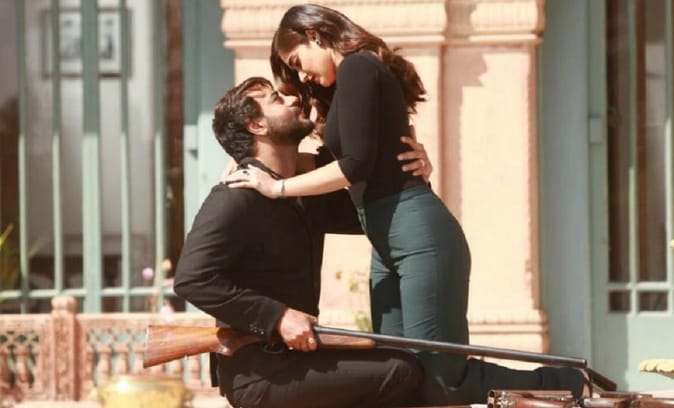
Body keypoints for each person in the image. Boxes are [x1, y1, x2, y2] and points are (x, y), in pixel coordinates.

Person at [224, 4, 589, 405]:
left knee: (442, 378)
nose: (301, 77)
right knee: (398, 373)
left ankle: (568, 384)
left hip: (419, 237)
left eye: (297, 62)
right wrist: (252, 162)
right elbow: (340, 161)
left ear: (315, 35)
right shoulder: (348, 84)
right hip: (387, 244)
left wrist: (278, 188)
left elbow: (354, 166)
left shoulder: (359, 67)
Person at [174, 76, 433, 408]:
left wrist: (414, 176)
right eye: (276, 99)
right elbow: (192, 279)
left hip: (297, 362)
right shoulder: (234, 196)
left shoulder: (304, 193)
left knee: (403, 364)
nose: (293, 100)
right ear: (256, 125)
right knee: (400, 371)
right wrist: (278, 317)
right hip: (260, 376)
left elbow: (386, 217)